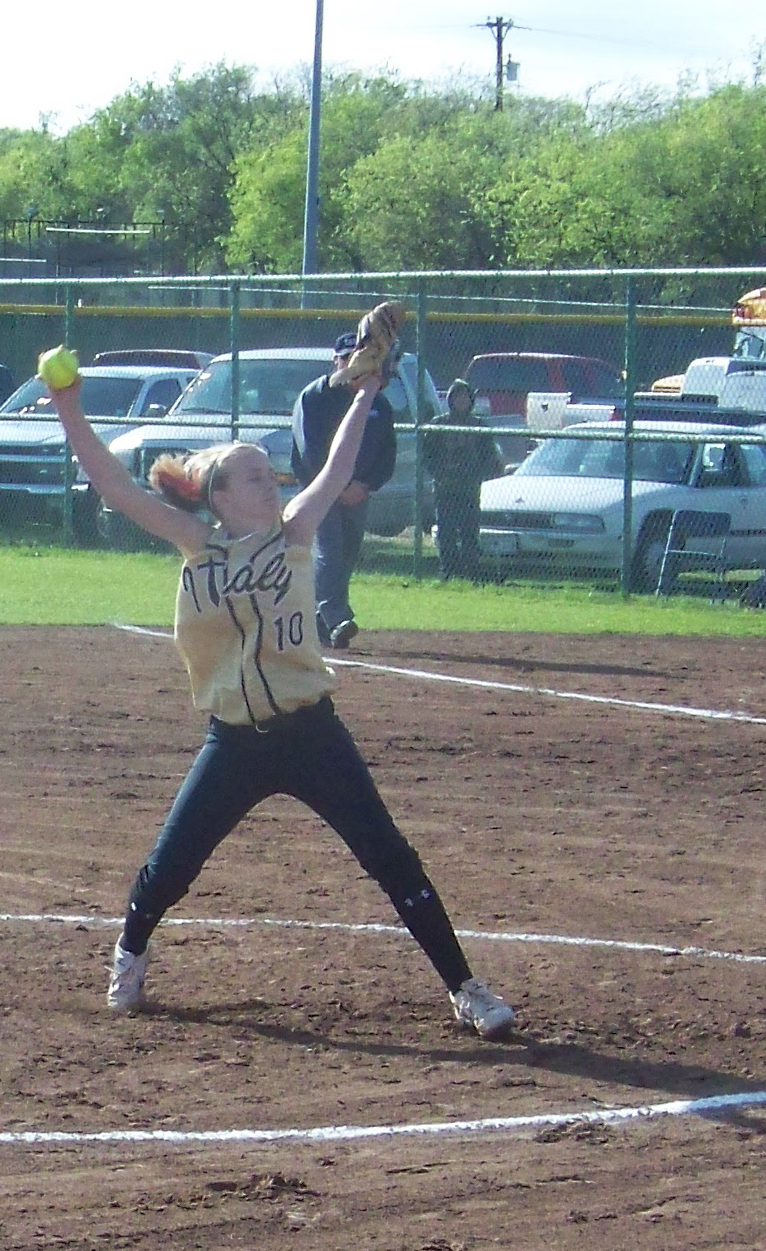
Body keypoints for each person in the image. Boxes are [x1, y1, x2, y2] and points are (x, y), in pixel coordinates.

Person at [37, 343, 516, 1040]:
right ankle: (130, 955)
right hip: (234, 744)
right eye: (255, 477)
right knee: (171, 866)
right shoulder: (198, 543)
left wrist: (366, 391)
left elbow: (337, 468)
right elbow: (115, 485)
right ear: (220, 497)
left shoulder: (295, 534)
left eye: (271, 474)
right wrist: (69, 409)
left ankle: (464, 987)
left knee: (390, 858)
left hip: (313, 734)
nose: (271, 484)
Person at [290, 330, 400, 648]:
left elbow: (387, 453)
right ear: (335, 360)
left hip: (358, 493)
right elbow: (309, 452)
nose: (354, 364)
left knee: (347, 555)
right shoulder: (314, 397)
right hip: (318, 492)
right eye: (347, 358)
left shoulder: (377, 402)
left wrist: (366, 484)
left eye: (360, 357)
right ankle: (338, 617)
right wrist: (335, 485)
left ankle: (319, 621)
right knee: (329, 552)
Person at [420, 380, 502, 582]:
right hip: (445, 487)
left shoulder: (479, 426)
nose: (461, 401)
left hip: (469, 489)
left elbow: (490, 456)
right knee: (446, 530)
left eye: (465, 397)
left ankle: (471, 571)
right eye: (457, 397)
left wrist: (478, 475)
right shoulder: (439, 424)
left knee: (469, 530)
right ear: (450, 400)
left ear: (471, 400)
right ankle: (448, 571)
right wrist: (438, 473)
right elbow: (426, 454)